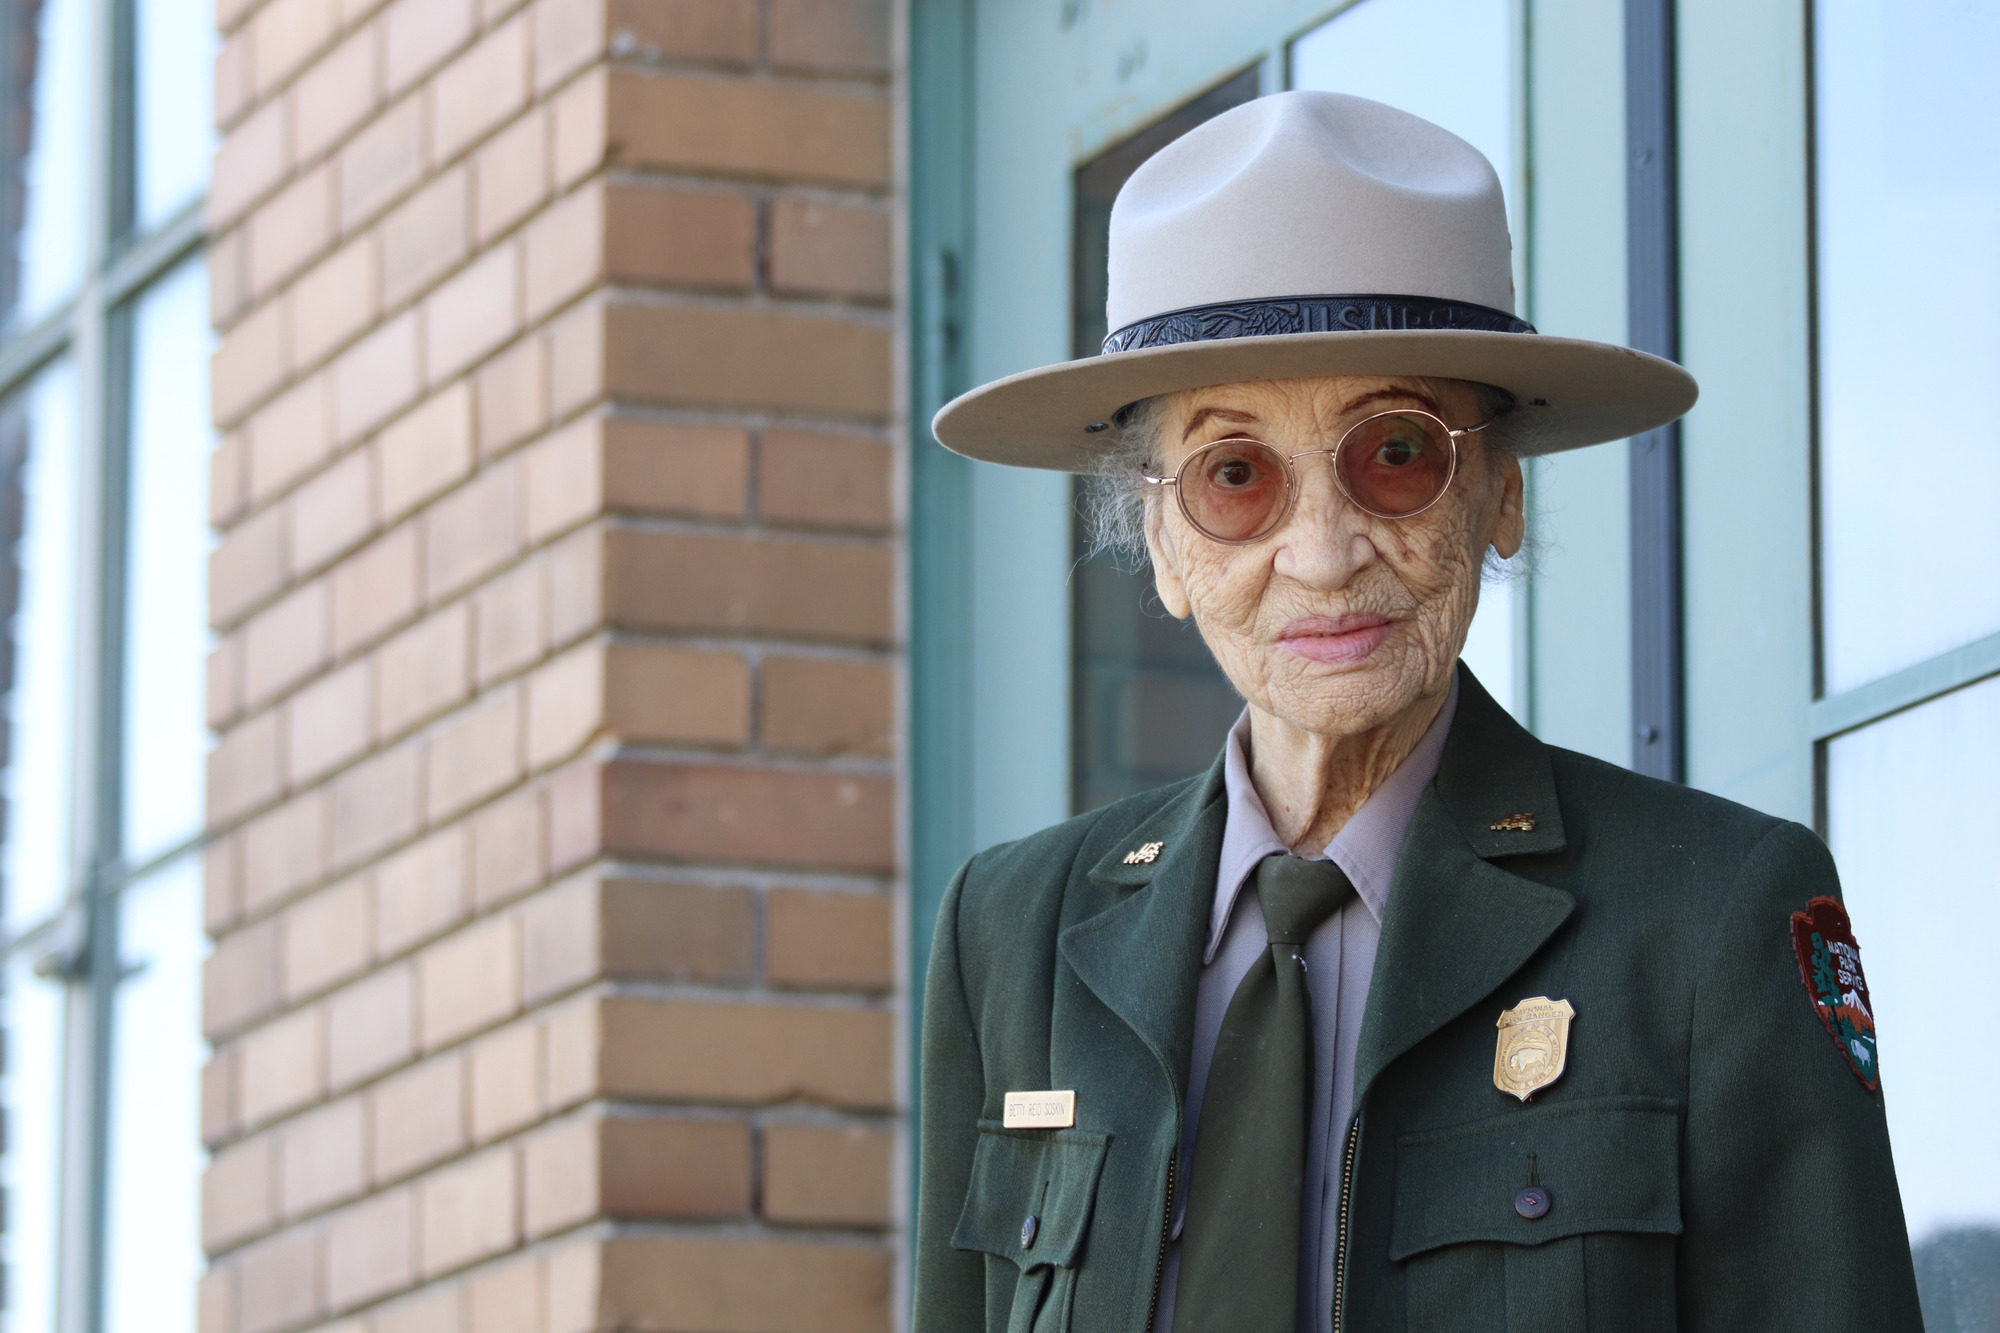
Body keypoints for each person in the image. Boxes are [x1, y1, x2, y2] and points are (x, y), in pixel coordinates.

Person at [912, 91, 1922, 1333]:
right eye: (1235, 476)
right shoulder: (1007, 935)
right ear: (1162, 549)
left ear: (1495, 495)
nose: (1324, 553)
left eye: (1394, 454)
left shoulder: (1710, 914)